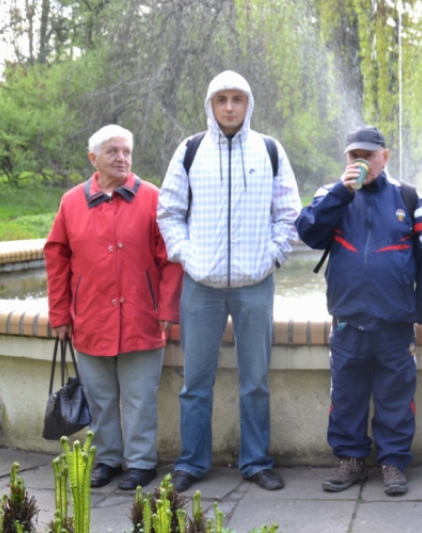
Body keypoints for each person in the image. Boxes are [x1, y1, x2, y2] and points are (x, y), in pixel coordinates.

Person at [157, 70, 301, 492]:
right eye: (222, 99)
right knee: (194, 382)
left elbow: (288, 212)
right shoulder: (190, 150)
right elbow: (169, 211)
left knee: (255, 380)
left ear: (248, 103)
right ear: (210, 104)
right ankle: (191, 462)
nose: (230, 107)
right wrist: (188, 256)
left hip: (255, 284)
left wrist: (272, 257)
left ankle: (256, 461)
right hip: (201, 287)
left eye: (238, 98)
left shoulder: (269, 150)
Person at [296, 126, 422, 495]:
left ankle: (393, 462)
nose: (360, 161)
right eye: (353, 155)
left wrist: (421, 308)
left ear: (385, 157)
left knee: (396, 394)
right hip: (347, 321)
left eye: (368, 155)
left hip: (395, 323)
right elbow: (308, 232)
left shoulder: (407, 197)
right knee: (346, 395)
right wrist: (341, 193)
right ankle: (350, 460)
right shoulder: (330, 195)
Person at [44, 125, 183, 491]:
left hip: (142, 316)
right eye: (112, 152)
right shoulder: (72, 201)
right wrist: (60, 314)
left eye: (126, 151)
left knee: (139, 398)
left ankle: (140, 463)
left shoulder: (153, 197)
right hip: (90, 319)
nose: (121, 158)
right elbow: (56, 257)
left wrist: (168, 307)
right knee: (100, 398)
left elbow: (169, 258)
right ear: (94, 158)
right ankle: (107, 460)